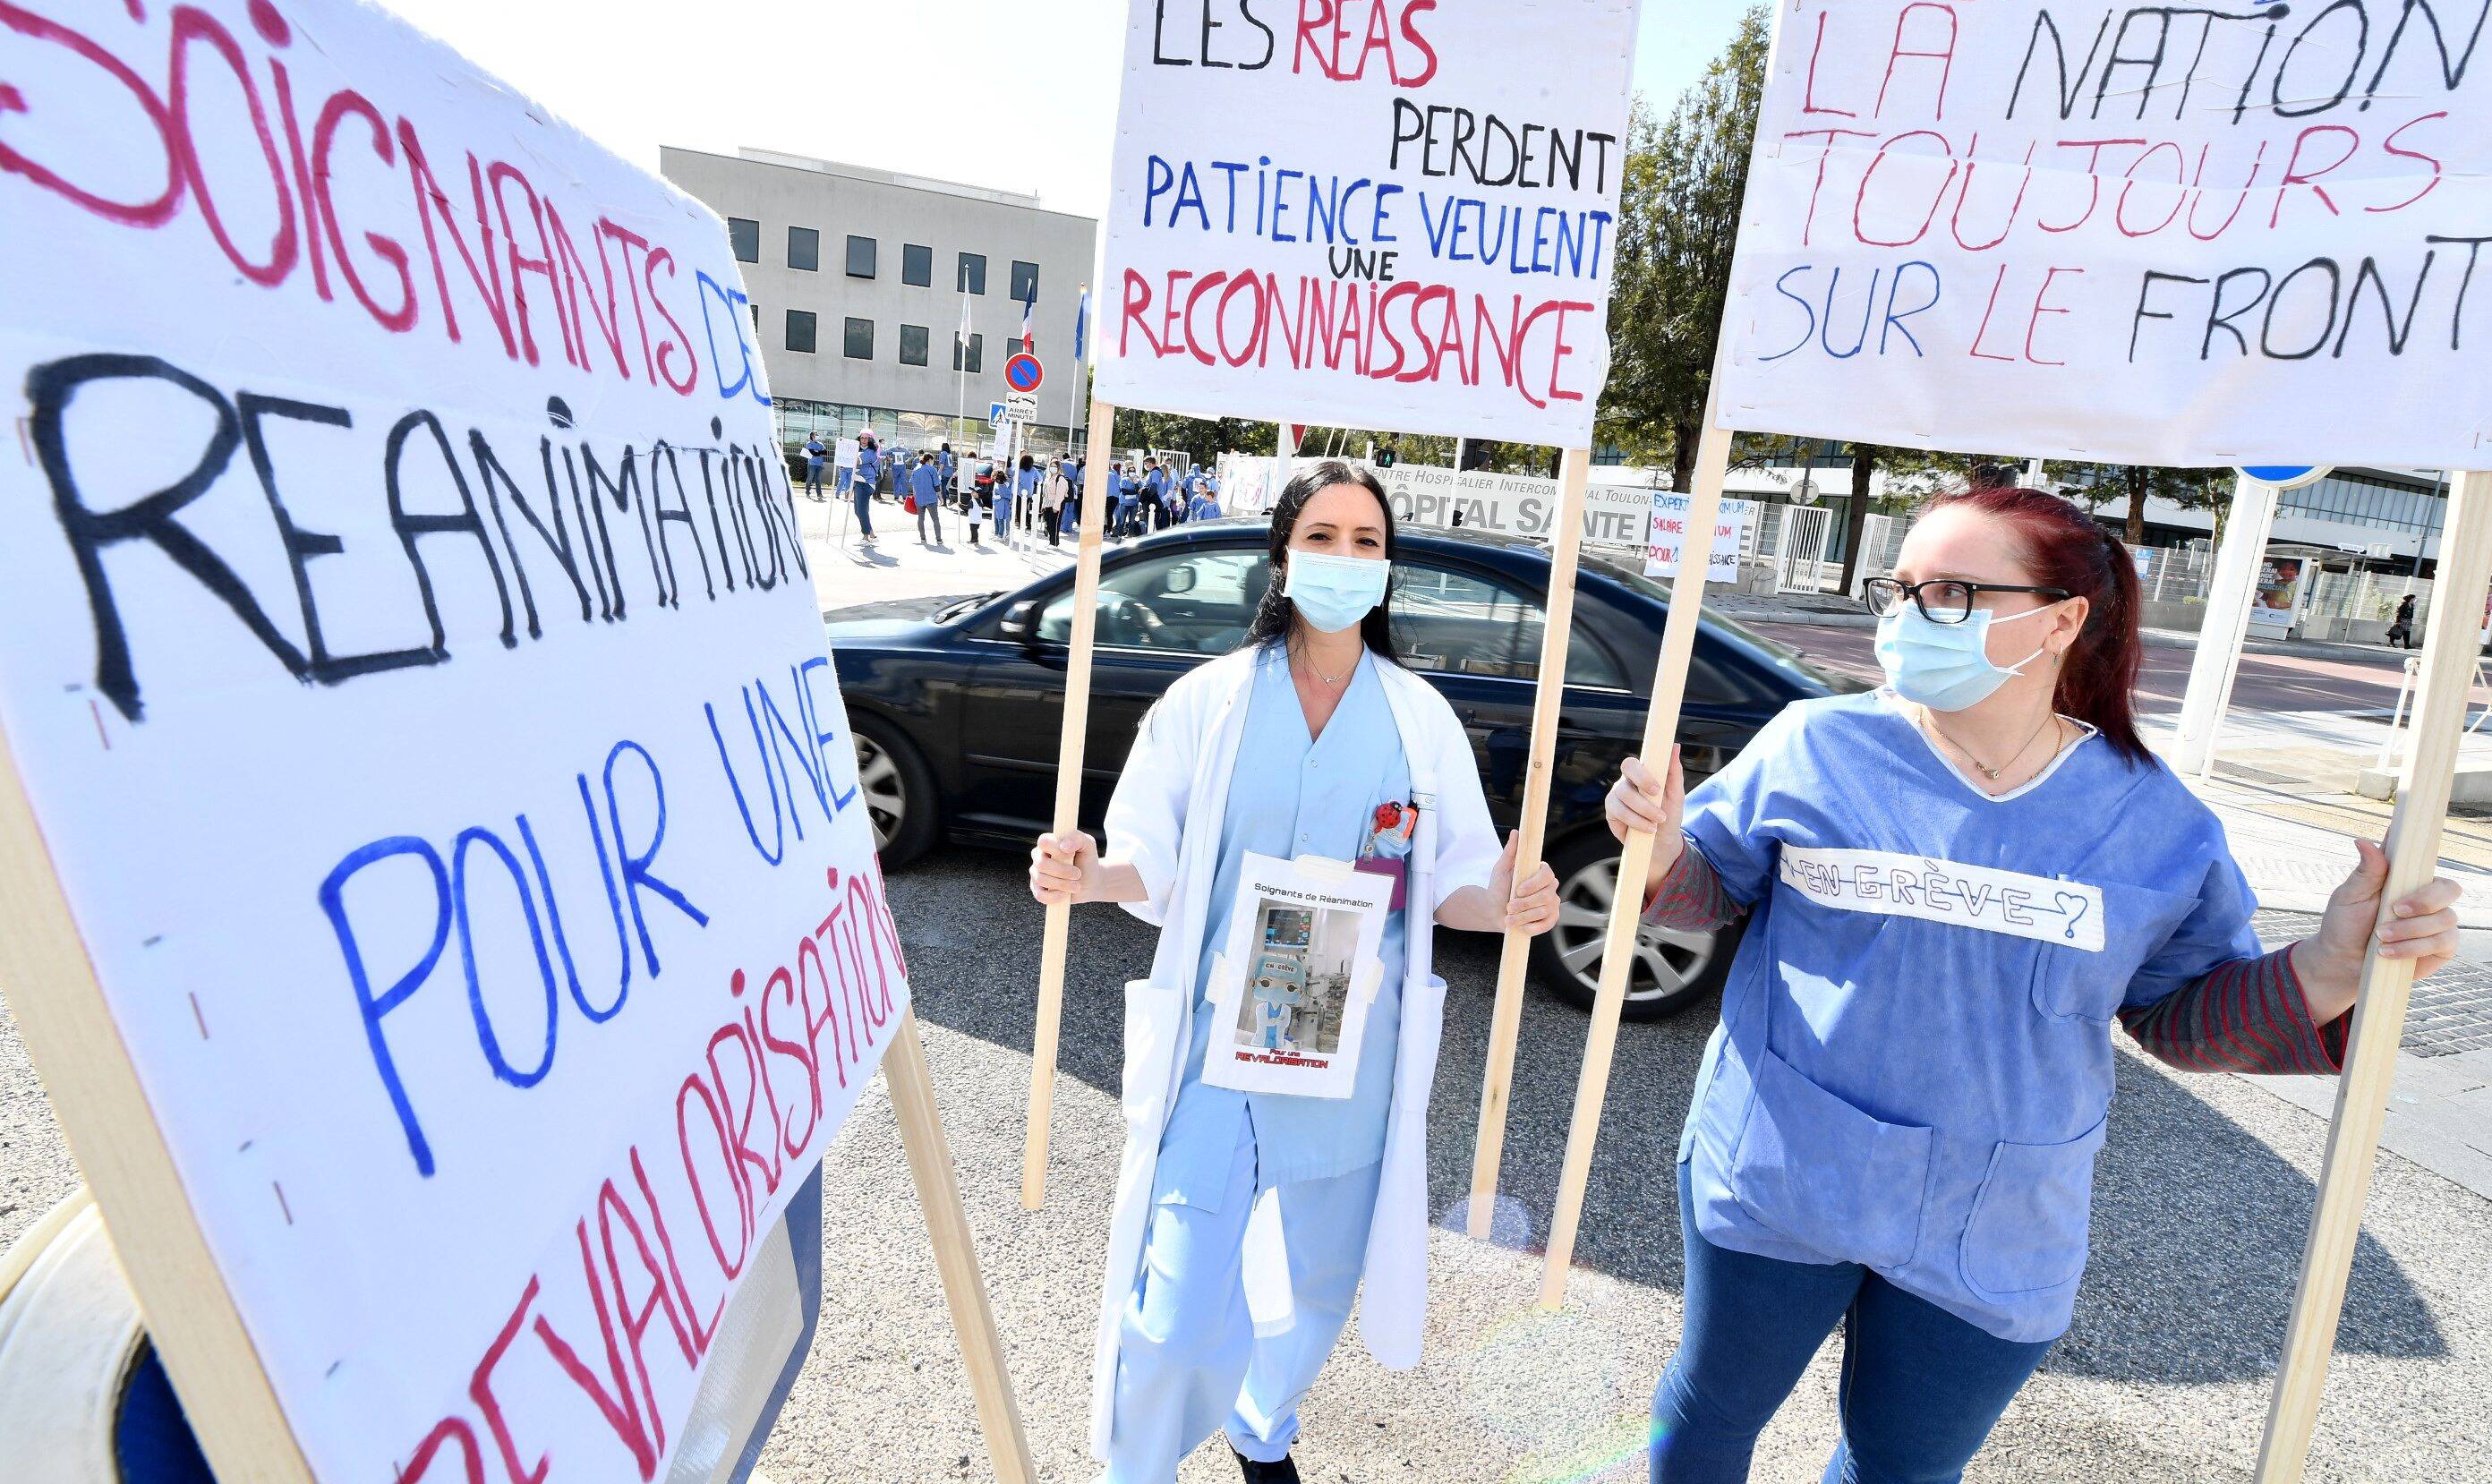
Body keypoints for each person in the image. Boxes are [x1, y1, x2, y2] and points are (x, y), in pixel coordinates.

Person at [1602, 485, 2463, 1484]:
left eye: (1952, 591)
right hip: (1786, 1167)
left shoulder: (2156, 821)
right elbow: (1707, 890)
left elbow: (2180, 1020)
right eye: (1901, 587)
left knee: (1903, 1466)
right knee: (1714, 1409)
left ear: (2061, 620)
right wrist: (1660, 853)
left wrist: (2328, 966)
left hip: (2001, 1216)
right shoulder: (1815, 745)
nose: (1907, 616)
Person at [1028, 460, 1562, 1484]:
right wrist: (1090, 874)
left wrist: (1505, 902)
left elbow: (1452, 881)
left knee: (1319, 1285)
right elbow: (1151, 854)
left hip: (1351, 1054)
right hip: (1221, 1047)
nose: (1344, 558)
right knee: (1175, 1306)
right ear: (1282, 553)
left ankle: (1262, 1420)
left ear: (1389, 566)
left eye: (1367, 540)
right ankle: (1139, 1464)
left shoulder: (1418, 717)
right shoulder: (1211, 699)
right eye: (1322, 536)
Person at [849, 433, 881, 541]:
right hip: (859, 482)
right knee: (859, 511)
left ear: (870, 439)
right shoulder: (859, 450)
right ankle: (871, 534)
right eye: (862, 438)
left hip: (866, 483)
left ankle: (865, 537)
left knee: (861, 510)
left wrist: (846, 452)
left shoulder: (871, 452)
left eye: (866, 438)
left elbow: (858, 461)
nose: (863, 440)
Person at [910, 450, 945, 545]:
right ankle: (938, 539)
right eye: (932, 460)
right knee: (935, 519)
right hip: (931, 498)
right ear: (929, 460)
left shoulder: (916, 469)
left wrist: (915, 495)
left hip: (919, 498)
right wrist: (940, 497)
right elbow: (936, 485)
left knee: (921, 519)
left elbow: (913, 484)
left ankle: (923, 538)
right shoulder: (932, 469)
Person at [802, 431, 827, 501]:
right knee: (810, 479)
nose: (817, 435)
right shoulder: (809, 444)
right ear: (812, 436)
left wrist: (817, 451)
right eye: (816, 434)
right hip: (812, 464)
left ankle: (819, 494)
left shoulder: (821, 444)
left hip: (819, 464)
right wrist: (820, 452)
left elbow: (825, 452)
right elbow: (813, 453)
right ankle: (807, 492)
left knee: (818, 480)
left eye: (817, 434)